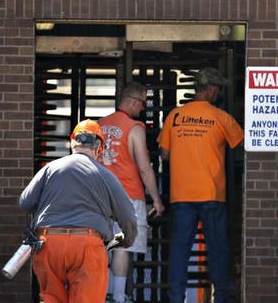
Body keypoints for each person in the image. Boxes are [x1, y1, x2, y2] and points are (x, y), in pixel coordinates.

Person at [18, 119, 138, 303]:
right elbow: (128, 216)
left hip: (49, 244)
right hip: (87, 246)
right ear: (99, 147)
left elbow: (25, 203)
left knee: (51, 299)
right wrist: (126, 240)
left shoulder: (50, 168)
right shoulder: (106, 176)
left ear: (73, 142)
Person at [157, 67, 244, 303]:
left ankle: (175, 298)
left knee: (179, 250)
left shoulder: (174, 116)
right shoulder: (220, 116)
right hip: (212, 194)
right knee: (217, 249)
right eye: (218, 88)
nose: (219, 92)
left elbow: (164, 153)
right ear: (211, 88)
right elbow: (241, 144)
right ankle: (223, 297)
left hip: (181, 195)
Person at [98, 81, 166, 303]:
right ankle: (117, 296)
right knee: (121, 247)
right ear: (134, 101)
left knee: (100, 247)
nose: (143, 109)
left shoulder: (97, 126)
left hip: (100, 196)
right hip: (127, 195)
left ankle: (100, 294)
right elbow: (145, 168)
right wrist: (156, 199)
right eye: (143, 104)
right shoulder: (134, 128)